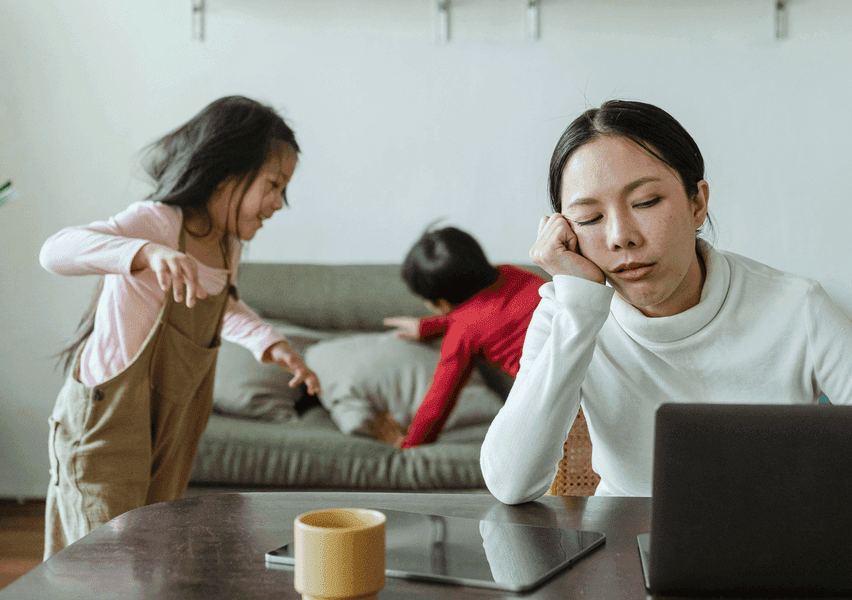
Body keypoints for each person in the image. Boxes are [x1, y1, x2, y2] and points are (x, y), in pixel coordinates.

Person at [480, 100, 852, 505]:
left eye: (646, 202)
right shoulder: (570, 312)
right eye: (589, 219)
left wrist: (815, 483)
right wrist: (579, 307)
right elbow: (510, 483)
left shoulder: (795, 308)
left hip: (773, 553)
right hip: (624, 555)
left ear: (697, 202)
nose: (620, 237)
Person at [39, 95, 322, 558]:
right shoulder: (156, 222)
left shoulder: (227, 245)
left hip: (173, 425)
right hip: (107, 422)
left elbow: (221, 306)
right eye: (273, 185)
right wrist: (145, 252)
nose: (278, 203)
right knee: (100, 558)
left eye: (283, 190)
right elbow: (54, 251)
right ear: (226, 173)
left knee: (148, 551)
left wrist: (272, 345)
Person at [378, 226, 546, 449]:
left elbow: (438, 402)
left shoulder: (462, 332)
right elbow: (495, 313)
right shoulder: (512, 273)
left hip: (552, 395)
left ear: (441, 303)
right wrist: (429, 327)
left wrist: (409, 444)